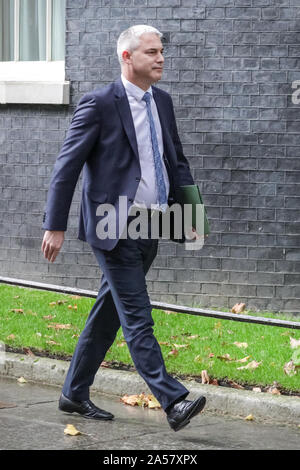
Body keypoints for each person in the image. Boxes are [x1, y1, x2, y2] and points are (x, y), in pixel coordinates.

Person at [41, 25, 206, 432]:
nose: (161, 58)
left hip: (153, 222)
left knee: (109, 311)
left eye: (161, 51)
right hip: (112, 224)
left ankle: (73, 394)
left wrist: (191, 218)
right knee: (136, 313)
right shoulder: (99, 104)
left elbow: (177, 161)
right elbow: (67, 167)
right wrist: (55, 225)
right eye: (151, 52)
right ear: (127, 57)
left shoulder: (162, 102)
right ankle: (173, 401)